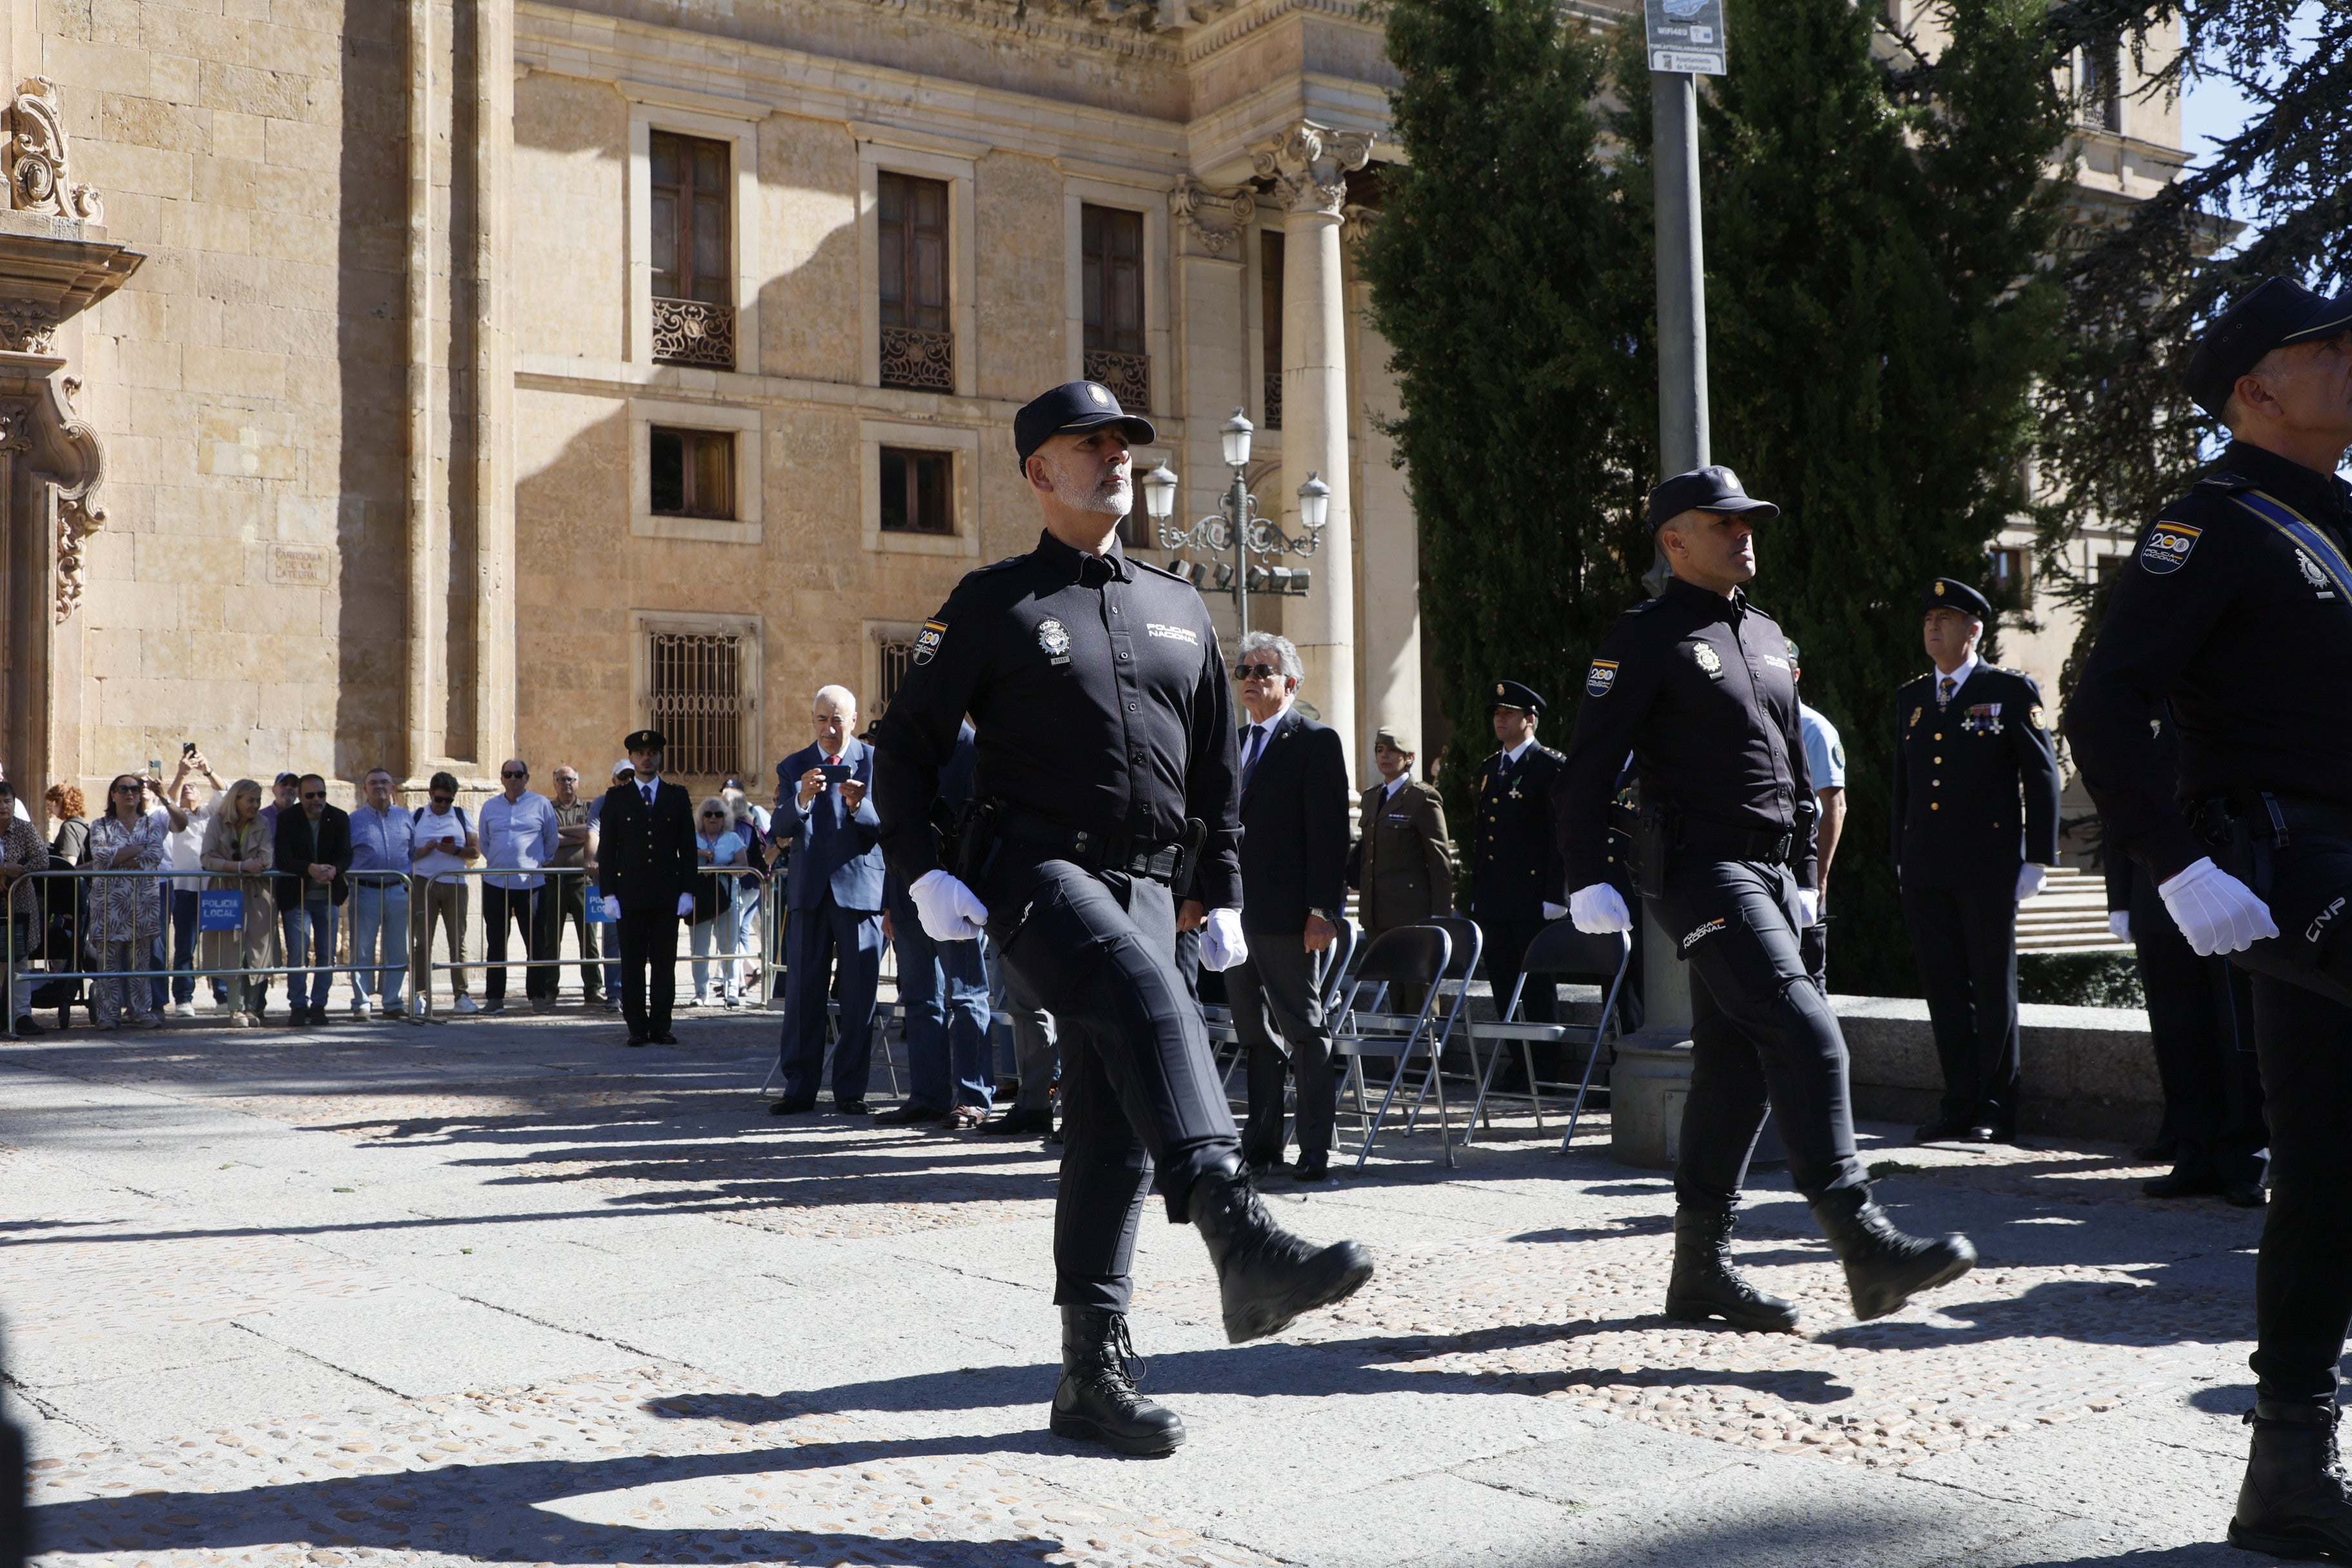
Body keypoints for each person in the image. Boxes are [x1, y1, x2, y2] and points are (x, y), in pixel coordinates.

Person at [871, 379, 1373, 1457]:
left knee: (1109, 1126)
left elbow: (1214, 773)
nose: (1115, 456)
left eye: (1122, 442)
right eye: (1087, 443)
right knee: (1152, 1004)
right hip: (1034, 868)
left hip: (1151, 884)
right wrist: (919, 869)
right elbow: (903, 740)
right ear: (1036, 471)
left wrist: (1223, 889)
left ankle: (1087, 1378)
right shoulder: (991, 602)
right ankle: (1238, 1230)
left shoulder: (1180, 605)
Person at [2061, 277, 2352, 1559]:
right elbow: (2108, 699)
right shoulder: (2213, 520)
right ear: (2256, 389)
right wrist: (2175, 863)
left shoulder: (2336, 514)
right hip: (2292, 864)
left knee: (2329, 1167)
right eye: (2328, 347)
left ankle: (2286, 1466)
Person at [1554, 464, 1975, 1335]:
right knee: (1806, 1032)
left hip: (1771, 876)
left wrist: (1809, 887)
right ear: (1675, 540)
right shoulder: (1645, 636)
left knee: (1736, 1066)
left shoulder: (1771, 636)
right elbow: (1591, 761)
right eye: (1724, 523)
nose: (1746, 534)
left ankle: (1699, 1273)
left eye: (1750, 521)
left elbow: (1794, 772)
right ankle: (1861, 1241)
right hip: (1699, 869)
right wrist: (1584, 873)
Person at [1893, 579, 2061, 1143]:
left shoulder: (2009, 691)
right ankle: (1958, 1102)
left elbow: (2041, 778)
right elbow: (1904, 787)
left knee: (1991, 987)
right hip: (1926, 866)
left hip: (1987, 865)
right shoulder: (1912, 698)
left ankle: (1995, 1106)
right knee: (1943, 987)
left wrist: (2038, 858)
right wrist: (1900, 854)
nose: (1933, 628)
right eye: (1927, 620)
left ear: (1974, 630)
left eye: (1946, 618)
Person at [2101, 709, 2266, 1206]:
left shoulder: (2234, 688)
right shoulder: (2143, 697)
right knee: (2179, 1029)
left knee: (2234, 1028)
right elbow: (2120, 796)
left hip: (2227, 877)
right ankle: (2193, 1151)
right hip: (2158, 886)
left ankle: (2245, 1156)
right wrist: (2121, 898)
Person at [1224, 631, 1349, 1182]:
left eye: (1263, 672)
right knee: (1255, 1036)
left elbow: (1329, 835)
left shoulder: (1314, 741)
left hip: (1290, 919)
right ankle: (1262, 1144)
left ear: (1291, 684)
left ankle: (1316, 1148)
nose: (1251, 679)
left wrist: (1325, 909)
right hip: (1237, 917)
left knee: (1304, 1029)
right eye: (1244, 671)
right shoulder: (1232, 743)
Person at [772, 685, 888, 1115]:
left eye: (838, 719)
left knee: (859, 998)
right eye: (822, 719)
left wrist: (860, 807)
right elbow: (779, 828)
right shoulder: (795, 766)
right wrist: (802, 798)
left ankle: (851, 1090)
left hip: (860, 893)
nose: (829, 728)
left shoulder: (875, 763)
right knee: (803, 995)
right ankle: (799, 1088)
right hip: (809, 894)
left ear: (854, 720)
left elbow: (888, 828)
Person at [877, 721, 995, 1130]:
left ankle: (974, 1098)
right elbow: (891, 827)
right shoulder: (904, 746)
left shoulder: (976, 747)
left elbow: (983, 822)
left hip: (954, 892)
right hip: (908, 892)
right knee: (921, 999)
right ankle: (928, 1096)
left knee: (966, 996)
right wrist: (889, 903)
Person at [1474, 681, 1567, 1024]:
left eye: (1508, 713)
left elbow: (1559, 836)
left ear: (1531, 719)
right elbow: (1483, 839)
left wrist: (1557, 894)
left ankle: (1543, 1069)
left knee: (1537, 986)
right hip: (1495, 900)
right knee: (1503, 984)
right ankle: (1517, 1068)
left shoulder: (1548, 767)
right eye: (1497, 713)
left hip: (1532, 899)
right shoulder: (1489, 769)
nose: (1500, 719)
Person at [597, 730, 698, 1046]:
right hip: (630, 895)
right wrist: (609, 893)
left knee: (665, 964)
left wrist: (688, 890)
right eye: (640, 752)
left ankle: (662, 1025)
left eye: (652, 752)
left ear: (660, 757)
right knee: (632, 964)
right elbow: (608, 848)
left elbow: (689, 848)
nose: (646, 758)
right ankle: (637, 1027)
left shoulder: (676, 795)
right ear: (631, 758)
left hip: (666, 895)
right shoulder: (616, 798)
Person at [1348, 725, 1454, 1016]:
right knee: (1394, 994)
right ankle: (1401, 1060)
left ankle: (1423, 1059)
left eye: (1392, 750)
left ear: (1409, 757)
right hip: (1377, 913)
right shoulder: (1371, 798)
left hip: (1412, 914)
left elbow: (1439, 859)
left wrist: (1440, 915)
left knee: (1419, 992)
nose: (1384, 756)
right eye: (1379, 750)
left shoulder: (1422, 798)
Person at [84, 775, 179, 1029]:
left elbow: (155, 856)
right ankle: (108, 1013)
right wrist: (137, 850)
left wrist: (119, 859)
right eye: (124, 788)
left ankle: (139, 1010)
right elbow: (101, 857)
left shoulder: (151, 825)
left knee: (141, 961)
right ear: (113, 794)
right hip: (109, 905)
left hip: (143, 903)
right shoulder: (100, 825)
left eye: (135, 789)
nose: (130, 793)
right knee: (109, 963)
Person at [1785, 642, 1845, 988]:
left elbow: (1835, 806)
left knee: (1808, 977)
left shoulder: (1815, 729)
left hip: (1801, 869)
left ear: (1796, 674)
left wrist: (1819, 878)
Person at [200, 779, 282, 1028]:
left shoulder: (263, 823)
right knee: (231, 950)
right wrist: (240, 867)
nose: (256, 805)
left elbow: (265, 859)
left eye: (258, 800)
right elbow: (207, 858)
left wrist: (233, 864)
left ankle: (253, 1007)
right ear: (236, 800)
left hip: (257, 894)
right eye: (251, 800)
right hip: (225, 893)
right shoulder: (216, 822)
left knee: (257, 950)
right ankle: (235, 1008)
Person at [479, 760, 559, 1014]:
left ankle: (537, 995)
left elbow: (552, 840)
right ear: (502, 778)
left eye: (518, 774)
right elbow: (484, 841)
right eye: (507, 774)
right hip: (496, 883)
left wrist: (537, 863)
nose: (513, 779)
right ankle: (495, 997)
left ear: (527, 777)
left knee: (535, 941)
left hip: (531, 884)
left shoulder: (541, 804)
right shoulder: (490, 807)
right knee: (496, 941)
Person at [273, 773, 351, 1027]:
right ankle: (298, 1005)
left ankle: (319, 1005)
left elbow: (346, 854)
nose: (317, 800)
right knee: (297, 954)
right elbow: (283, 858)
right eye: (310, 795)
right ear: (300, 796)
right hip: (298, 898)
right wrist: (309, 868)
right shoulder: (287, 818)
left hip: (328, 896)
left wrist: (334, 870)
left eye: (322, 795)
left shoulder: (338, 817)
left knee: (327, 954)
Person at [409, 773, 480, 1016]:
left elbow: (475, 852)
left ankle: (461, 995)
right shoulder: (417, 816)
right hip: (423, 882)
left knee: (457, 941)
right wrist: (424, 850)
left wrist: (456, 850)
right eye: (439, 799)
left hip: (454, 883)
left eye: (447, 801)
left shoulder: (462, 816)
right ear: (430, 794)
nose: (442, 805)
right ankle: (419, 994)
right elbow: (406, 854)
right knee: (422, 942)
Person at [347, 769, 413, 1021]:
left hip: (398, 889)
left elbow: (413, 852)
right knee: (362, 949)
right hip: (366, 891)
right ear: (365, 789)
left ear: (393, 787)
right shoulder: (354, 821)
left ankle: (393, 1001)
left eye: (385, 782)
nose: (379, 787)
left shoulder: (406, 818)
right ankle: (362, 1002)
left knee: (398, 949)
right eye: (373, 783)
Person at [164, 756, 228, 1015]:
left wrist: (206, 770)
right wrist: (181, 774)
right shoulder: (174, 819)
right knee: (185, 947)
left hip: (212, 888)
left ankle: (222, 996)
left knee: (219, 945)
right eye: (185, 787)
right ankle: (183, 998)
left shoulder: (210, 815)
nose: (190, 788)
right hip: (185, 889)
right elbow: (167, 800)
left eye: (194, 786)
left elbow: (223, 791)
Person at [543, 765, 605, 1009]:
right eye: (561, 779)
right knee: (551, 939)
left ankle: (592, 988)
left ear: (578, 782)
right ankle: (549, 989)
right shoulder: (547, 810)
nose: (566, 784)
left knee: (589, 940)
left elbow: (590, 832)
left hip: (583, 883)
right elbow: (546, 837)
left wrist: (560, 834)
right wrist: (576, 836)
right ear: (554, 783)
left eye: (570, 779)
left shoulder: (589, 809)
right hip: (553, 882)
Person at [689, 797, 747, 1006]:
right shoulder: (692, 838)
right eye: (708, 814)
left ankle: (732, 991)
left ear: (725, 818)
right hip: (701, 901)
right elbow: (680, 855)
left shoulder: (732, 838)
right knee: (699, 949)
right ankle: (700, 993)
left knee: (729, 947)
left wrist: (722, 867)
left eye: (718, 814)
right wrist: (702, 854)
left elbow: (743, 865)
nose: (713, 818)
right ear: (701, 817)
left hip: (727, 899)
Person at [0, 781, 46, 1036]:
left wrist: (18, 871)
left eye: (7, 801)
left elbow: (42, 859)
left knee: (19, 960)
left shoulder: (25, 830)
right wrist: (3, 869)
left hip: (20, 903)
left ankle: (22, 1015)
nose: (3, 807)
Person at [585, 759, 632, 1008]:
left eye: (630, 777)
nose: (626, 781)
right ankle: (615, 993)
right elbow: (594, 832)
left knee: (640, 936)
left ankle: (636, 990)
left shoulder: (646, 802)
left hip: (639, 879)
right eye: (622, 777)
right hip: (614, 878)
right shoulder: (602, 804)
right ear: (613, 780)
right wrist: (591, 857)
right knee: (613, 937)